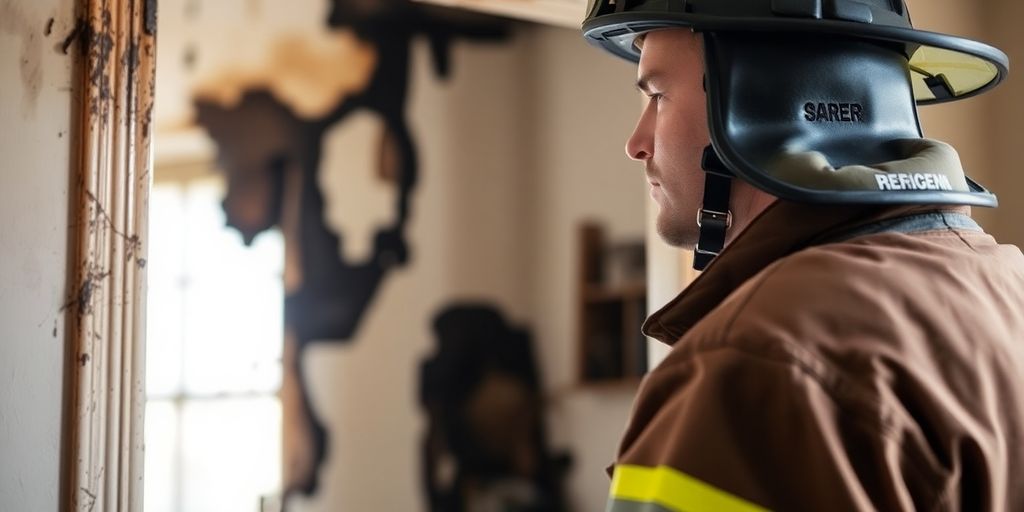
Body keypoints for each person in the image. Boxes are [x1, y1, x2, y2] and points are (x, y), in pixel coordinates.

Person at [581, 1, 1024, 511]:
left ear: (760, 104)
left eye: (657, 95)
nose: (637, 143)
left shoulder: (756, 365)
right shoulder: (1002, 282)